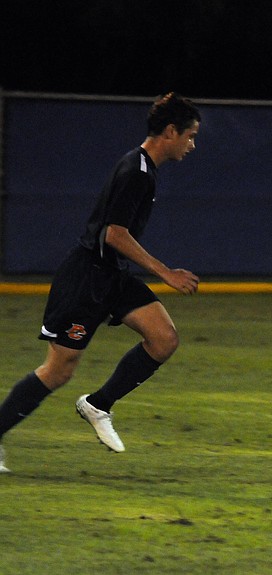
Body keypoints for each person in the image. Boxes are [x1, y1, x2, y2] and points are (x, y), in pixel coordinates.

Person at [0, 93, 201, 472]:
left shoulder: (144, 168)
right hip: (87, 278)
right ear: (170, 132)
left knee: (164, 338)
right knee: (58, 370)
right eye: (190, 136)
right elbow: (114, 235)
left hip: (111, 276)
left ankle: (98, 404)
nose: (192, 145)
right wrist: (166, 273)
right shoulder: (137, 172)